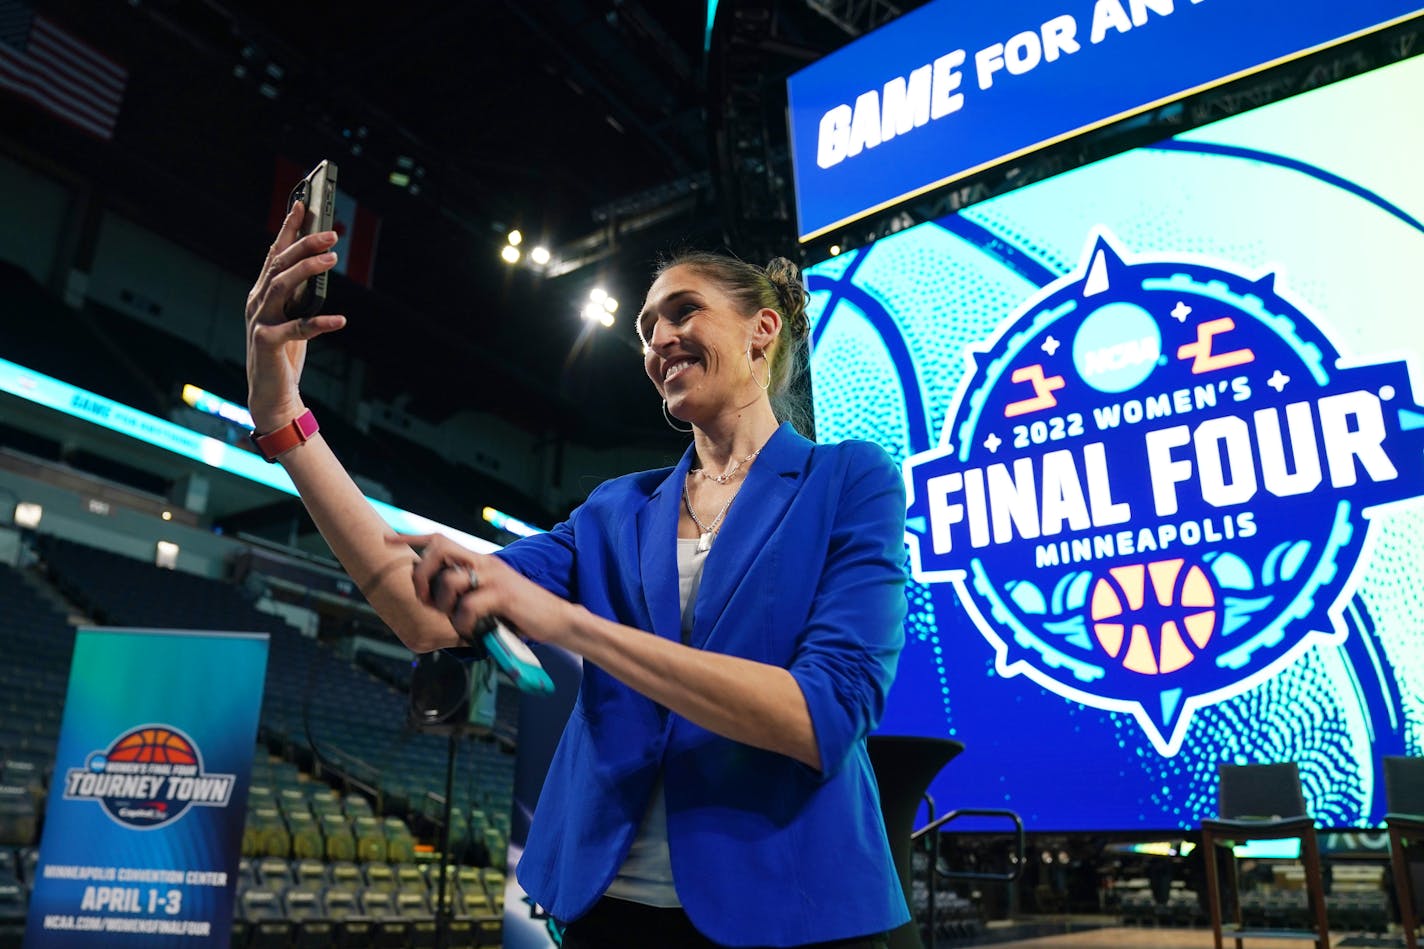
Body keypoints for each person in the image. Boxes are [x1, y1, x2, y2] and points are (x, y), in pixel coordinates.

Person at [245, 200, 911, 948]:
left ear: (763, 329)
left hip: (792, 909)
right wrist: (286, 418)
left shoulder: (849, 479)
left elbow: (822, 714)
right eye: (645, 329)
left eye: (683, 310)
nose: (659, 338)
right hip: (609, 912)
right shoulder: (613, 510)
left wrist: (568, 624)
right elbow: (419, 611)